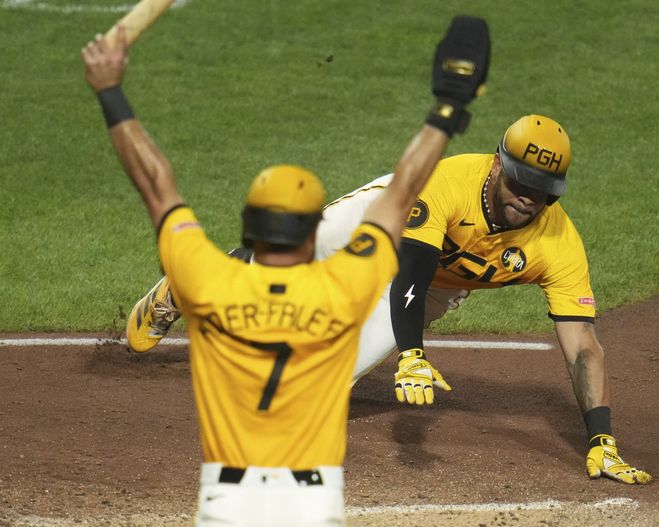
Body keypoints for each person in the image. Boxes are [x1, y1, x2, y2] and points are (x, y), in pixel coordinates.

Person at [83, 15, 490, 527]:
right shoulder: (345, 285)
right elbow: (401, 193)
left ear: (250, 228)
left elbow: (156, 183)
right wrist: (448, 110)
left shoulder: (210, 282)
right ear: (311, 233)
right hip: (311, 506)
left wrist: (110, 91)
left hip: (225, 506)